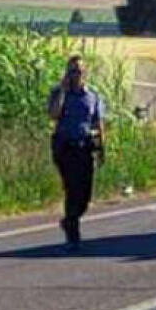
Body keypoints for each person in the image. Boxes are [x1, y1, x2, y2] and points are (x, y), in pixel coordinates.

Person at [47, 55, 106, 248]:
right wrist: (63, 91)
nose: (76, 75)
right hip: (65, 146)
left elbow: (98, 123)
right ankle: (72, 227)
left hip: (85, 146)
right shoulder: (58, 93)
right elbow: (54, 115)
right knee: (71, 187)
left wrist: (101, 148)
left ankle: (71, 217)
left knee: (85, 192)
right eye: (72, 71)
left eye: (79, 71)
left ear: (85, 73)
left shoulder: (93, 96)